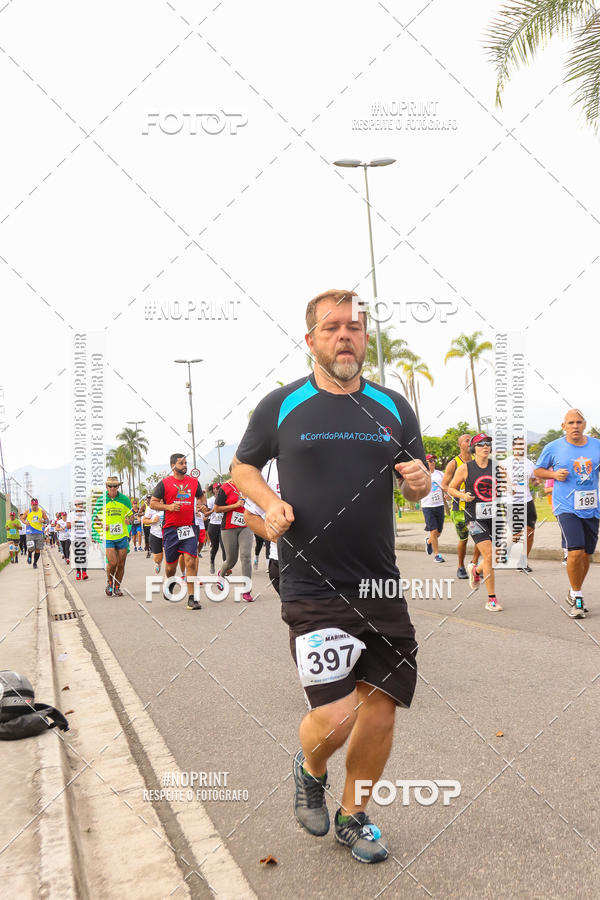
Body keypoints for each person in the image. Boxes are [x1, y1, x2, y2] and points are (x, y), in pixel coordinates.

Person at [232, 288, 429, 863]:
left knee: (382, 704)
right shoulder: (281, 405)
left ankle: (355, 815)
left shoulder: (393, 407)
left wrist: (420, 483)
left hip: (380, 582)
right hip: (312, 582)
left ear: (365, 339)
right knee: (338, 713)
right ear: (311, 338)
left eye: (355, 328)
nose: (346, 336)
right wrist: (268, 504)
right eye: (333, 327)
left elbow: (417, 476)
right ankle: (311, 765)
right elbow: (243, 467)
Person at [534, 409, 600, 618]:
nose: (575, 426)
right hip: (566, 507)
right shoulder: (553, 447)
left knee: (587, 555)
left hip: (592, 507)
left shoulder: (597, 446)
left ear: (585, 425)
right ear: (564, 426)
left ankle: (573, 591)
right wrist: (553, 474)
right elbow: (538, 471)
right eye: (570, 422)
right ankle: (578, 597)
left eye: (579, 422)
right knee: (575, 552)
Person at [448, 433, 503, 611]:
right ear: (474, 448)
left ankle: (476, 571)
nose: (485, 447)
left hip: (494, 516)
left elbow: (506, 486)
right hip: (473, 518)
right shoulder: (465, 468)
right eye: (481, 444)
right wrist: (463, 495)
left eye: (488, 444)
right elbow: (451, 488)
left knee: (495, 558)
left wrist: (508, 487)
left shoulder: (496, 466)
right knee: (488, 556)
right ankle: (492, 599)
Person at [150, 454, 208, 611]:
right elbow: (153, 503)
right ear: (172, 466)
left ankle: (192, 598)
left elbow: (201, 496)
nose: (184, 465)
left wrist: (202, 505)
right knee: (171, 567)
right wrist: (168, 507)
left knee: (190, 561)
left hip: (189, 528)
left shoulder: (193, 482)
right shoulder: (164, 483)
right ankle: (169, 581)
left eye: (185, 462)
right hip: (171, 530)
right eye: (181, 463)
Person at [441, 435, 480, 579]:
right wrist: (459, 493)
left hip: (477, 508)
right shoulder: (454, 463)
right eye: (466, 441)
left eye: (471, 440)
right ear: (460, 445)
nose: (470, 443)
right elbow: (444, 485)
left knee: (480, 538)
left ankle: (474, 565)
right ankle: (460, 567)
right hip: (460, 509)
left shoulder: (478, 462)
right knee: (463, 539)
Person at [214, 467, 254, 601]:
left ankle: (246, 590)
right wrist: (235, 505)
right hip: (229, 528)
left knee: (246, 556)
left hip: (246, 526)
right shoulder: (225, 488)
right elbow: (216, 509)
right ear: (230, 472)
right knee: (231, 560)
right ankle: (222, 572)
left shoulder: (249, 485)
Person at [92, 476, 134, 597]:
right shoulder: (101, 500)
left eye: (115, 486)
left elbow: (131, 516)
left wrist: (129, 520)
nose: (112, 488)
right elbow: (95, 518)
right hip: (108, 537)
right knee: (113, 562)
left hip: (122, 536)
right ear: (106, 487)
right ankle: (109, 582)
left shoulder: (125, 500)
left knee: (121, 563)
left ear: (118, 487)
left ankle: (117, 587)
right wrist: (102, 524)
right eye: (110, 486)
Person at [244, 459, 281, 595]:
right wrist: (285, 542)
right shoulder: (267, 472)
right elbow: (250, 516)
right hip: (283, 561)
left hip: (333, 562)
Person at [504, 437, 538, 572]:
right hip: (512, 503)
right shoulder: (506, 463)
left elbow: (534, 479)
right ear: (513, 447)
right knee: (517, 535)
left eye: (523, 445)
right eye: (518, 445)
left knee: (530, 532)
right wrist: (508, 485)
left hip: (527, 501)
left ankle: (523, 561)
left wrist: (536, 482)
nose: (521, 448)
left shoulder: (530, 464)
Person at [421, 454, 446, 563]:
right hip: (427, 506)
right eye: (430, 461)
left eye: (433, 460)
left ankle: (429, 541)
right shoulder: (421, 475)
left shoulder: (440, 474)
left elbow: (446, 486)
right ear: (425, 463)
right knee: (434, 531)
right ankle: (437, 555)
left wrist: (448, 495)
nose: (432, 462)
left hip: (439, 505)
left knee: (438, 533)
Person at [20, 499, 48, 568]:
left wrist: (43, 521)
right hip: (30, 532)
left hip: (39, 532)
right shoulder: (28, 511)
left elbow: (47, 520)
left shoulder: (41, 511)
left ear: (37, 504)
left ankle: (35, 563)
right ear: (31, 504)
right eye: (33, 505)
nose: (34, 506)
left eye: (36, 505)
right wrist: (25, 522)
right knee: (31, 548)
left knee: (38, 549)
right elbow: (22, 518)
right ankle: (29, 554)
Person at [206, 483, 225, 575]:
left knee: (224, 547)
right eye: (216, 488)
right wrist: (214, 510)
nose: (218, 490)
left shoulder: (225, 499)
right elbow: (206, 515)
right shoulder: (210, 500)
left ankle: (226, 568)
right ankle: (212, 562)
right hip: (213, 526)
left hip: (223, 526)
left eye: (219, 488)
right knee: (215, 547)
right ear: (213, 490)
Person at [72, 501, 89, 580]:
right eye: (79, 504)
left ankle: (84, 572)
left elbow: (89, 525)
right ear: (75, 506)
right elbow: (69, 525)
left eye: (82, 504)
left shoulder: (86, 514)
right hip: (75, 538)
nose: (81, 506)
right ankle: (78, 571)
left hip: (85, 537)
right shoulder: (71, 515)